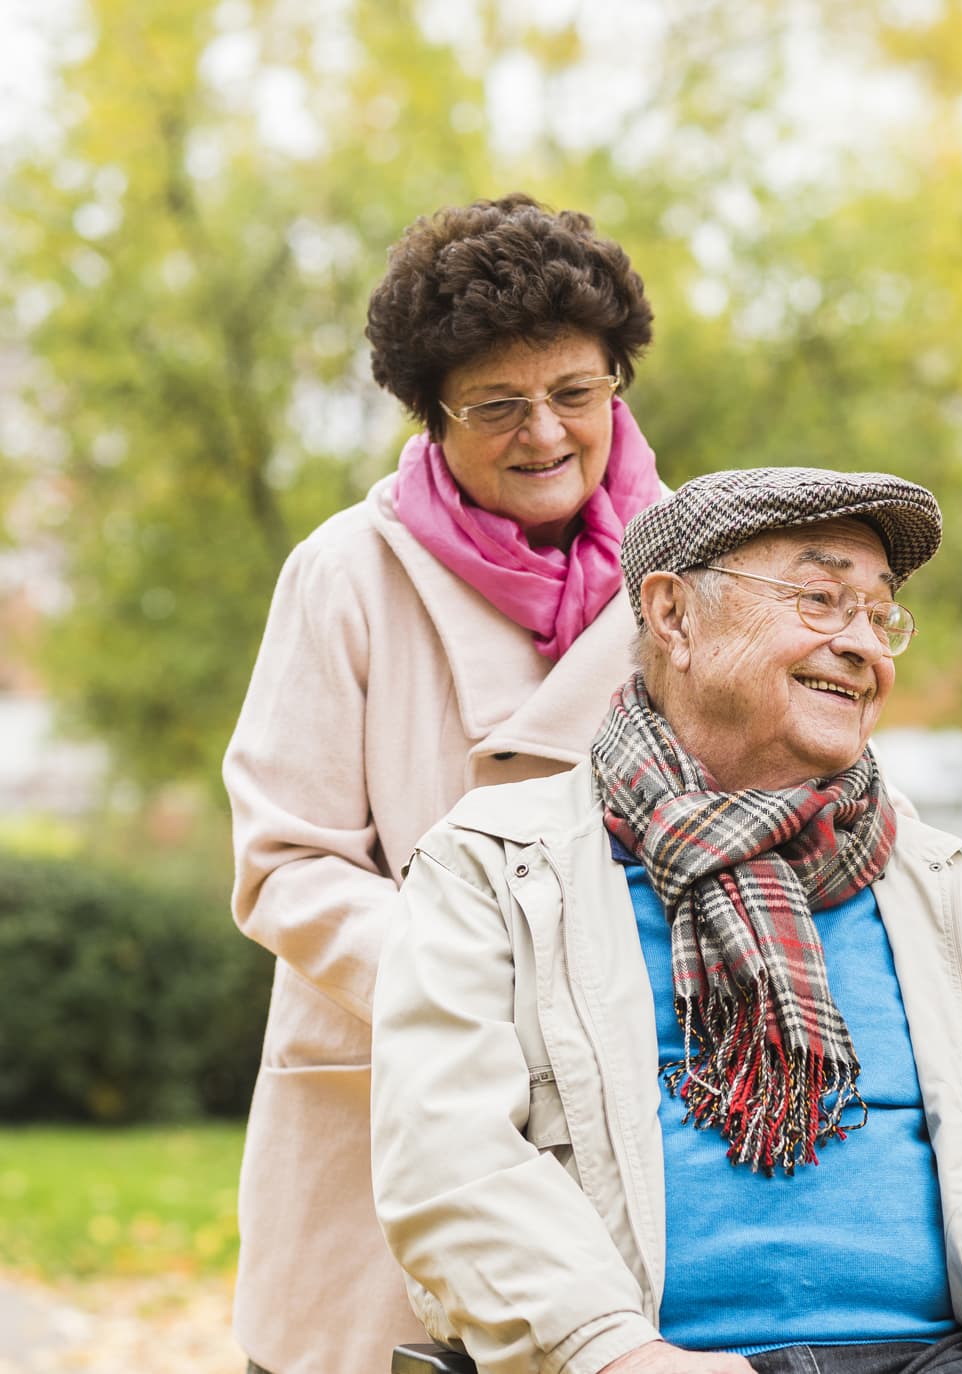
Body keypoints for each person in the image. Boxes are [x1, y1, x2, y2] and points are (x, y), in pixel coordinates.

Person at [370, 467, 962, 1374]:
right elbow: (453, 1167)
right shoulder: (495, 866)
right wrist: (619, 1357)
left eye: (880, 615)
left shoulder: (944, 888)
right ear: (672, 615)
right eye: (822, 598)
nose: (864, 646)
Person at [223, 193, 662, 1374]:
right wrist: (471, 990)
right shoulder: (345, 573)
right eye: (497, 407)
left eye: (575, 393)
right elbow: (284, 864)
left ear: (617, 382)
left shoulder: (694, 576)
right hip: (394, 1106)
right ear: (430, 417)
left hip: (636, 1120)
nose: (546, 434)